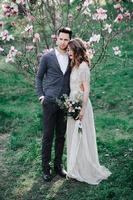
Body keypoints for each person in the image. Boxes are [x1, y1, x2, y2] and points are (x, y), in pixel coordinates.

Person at [66, 38, 111, 185]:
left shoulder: (84, 67)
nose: (68, 53)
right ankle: (75, 167)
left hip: (81, 105)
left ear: (77, 50)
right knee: (73, 135)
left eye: (70, 50)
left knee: (83, 136)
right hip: (72, 104)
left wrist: (83, 109)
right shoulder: (74, 65)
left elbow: (86, 90)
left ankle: (86, 168)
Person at [36, 27, 72, 182]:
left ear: (69, 40)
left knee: (61, 136)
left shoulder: (72, 57)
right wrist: (41, 96)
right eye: (61, 38)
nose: (63, 42)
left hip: (65, 102)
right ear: (56, 39)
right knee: (48, 136)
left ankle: (58, 165)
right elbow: (38, 78)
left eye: (66, 39)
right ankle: (46, 167)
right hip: (49, 102)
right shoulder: (47, 57)